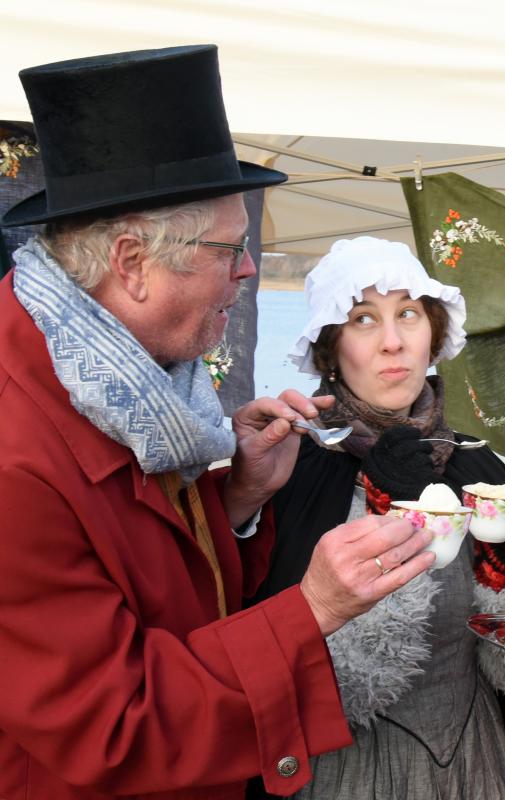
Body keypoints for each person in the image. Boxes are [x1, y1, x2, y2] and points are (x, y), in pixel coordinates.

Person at [0, 47, 435, 799]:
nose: (249, 269)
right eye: (230, 250)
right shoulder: (15, 452)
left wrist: (234, 500)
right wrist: (313, 610)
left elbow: (148, 583)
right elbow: (113, 726)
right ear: (131, 262)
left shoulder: (124, 381)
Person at [245, 235, 505, 800]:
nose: (393, 342)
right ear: (331, 346)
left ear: (434, 334)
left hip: (477, 770)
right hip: (341, 777)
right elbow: (278, 667)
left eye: (408, 314)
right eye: (364, 319)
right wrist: (398, 515)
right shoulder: (292, 469)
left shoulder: (479, 466)